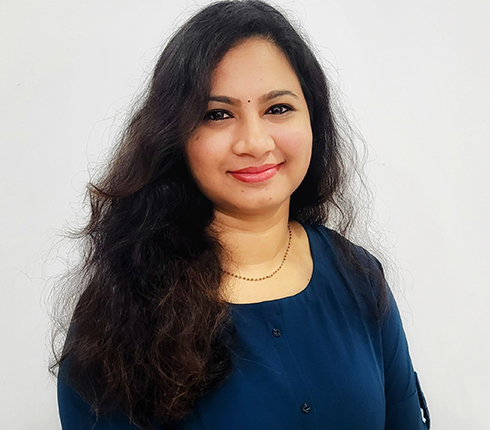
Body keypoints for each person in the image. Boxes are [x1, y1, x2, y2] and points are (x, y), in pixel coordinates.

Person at [53, 1, 430, 429]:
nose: (254, 141)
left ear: (314, 119)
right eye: (218, 114)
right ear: (175, 136)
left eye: (278, 108)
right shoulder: (121, 309)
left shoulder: (359, 276)